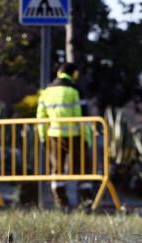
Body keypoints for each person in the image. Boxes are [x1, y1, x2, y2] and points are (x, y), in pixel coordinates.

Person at [37, 62, 94, 209]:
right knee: (82, 168)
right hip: (75, 136)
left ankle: (61, 201)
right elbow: (81, 117)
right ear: (74, 74)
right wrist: (87, 138)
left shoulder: (46, 91)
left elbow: (41, 117)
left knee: (57, 169)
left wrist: (43, 137)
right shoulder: (74, 90)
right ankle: (86, 201)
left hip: (54, 136)